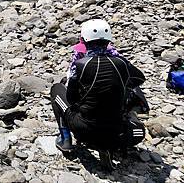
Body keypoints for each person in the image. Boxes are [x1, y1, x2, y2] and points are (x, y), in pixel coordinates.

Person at [50, 19, 146, 169]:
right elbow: (139, 79)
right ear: (108, 41)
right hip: (116, 132)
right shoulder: (121, 63)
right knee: (140, 131)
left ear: (84, 41)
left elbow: (71, 99)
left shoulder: (81, 64)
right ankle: (107, 147)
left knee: (56, 89)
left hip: (84, 130)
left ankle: (66, 139)